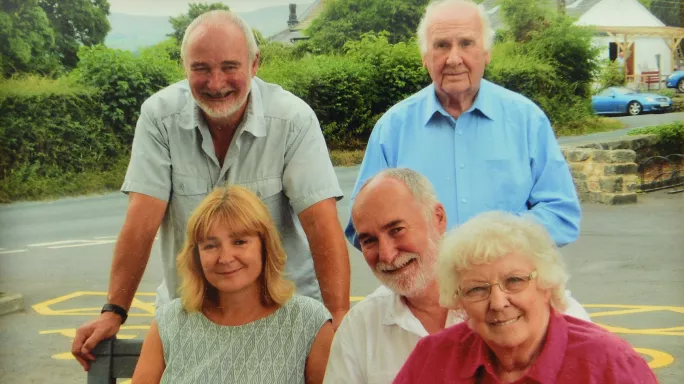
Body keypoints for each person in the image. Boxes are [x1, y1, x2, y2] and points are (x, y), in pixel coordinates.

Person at [72, 10, 350, 370]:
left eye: (230, 66)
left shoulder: (292, 119)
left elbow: (322, 227)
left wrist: (340, 315)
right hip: (191, 315)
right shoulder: (158, 117)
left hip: (283, 319)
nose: (216, 83)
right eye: (201, 68)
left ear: (255, 63)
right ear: (184, 66)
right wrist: (114, 310)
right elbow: (141, 222)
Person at [346, 0, 581, 250]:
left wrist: (489, 244)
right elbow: (360, 225)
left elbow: (560, 214)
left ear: (486, 52)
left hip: (505, 284)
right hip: (425, 286)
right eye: (441, 45)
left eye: (466, 43)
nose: (454, 59)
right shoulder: (392, 130)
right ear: (425, 56)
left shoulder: (527, 120)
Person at [324, 168, 591, 384]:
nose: (386, 254)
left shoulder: (528, 303)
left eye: (397, 230)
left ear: (438, 218)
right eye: (369, 241)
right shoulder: (361, 328)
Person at [393, 211, 658, 384]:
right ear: (459, 302)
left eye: (514, 281)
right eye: (477, 289)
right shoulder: (433, 358)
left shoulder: (607, 364)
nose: (498, 303)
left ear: (545, 285)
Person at [131, 186, 334, 383]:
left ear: (265, 246)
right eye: (210, 245)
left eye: (239, 242)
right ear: (196, 256)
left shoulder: (308, 322)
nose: (225, 258)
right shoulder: (169, 322)